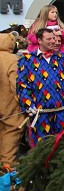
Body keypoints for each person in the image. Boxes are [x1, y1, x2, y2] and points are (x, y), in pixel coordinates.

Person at [16, 27, 64, 147]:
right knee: (42, 146)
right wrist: (28, 104)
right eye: (49, 39)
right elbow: (23, 85)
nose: (53, 41)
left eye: (54, 38)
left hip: (63, 110)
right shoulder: (26, 61)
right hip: (40, 113)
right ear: (40, 40)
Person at [0, 31, 23, 168]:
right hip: (10, 107)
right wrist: (22, 102)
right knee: (10, 136)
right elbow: (15, 84)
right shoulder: (12, 59)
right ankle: (7, 169)